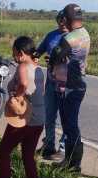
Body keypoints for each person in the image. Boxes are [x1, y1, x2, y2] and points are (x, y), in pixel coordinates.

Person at [0, 36, 45, 178]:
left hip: (24, 117)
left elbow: (23, 83)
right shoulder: (38, 67)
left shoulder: (23, 66)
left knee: (4, 150)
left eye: (14, 53)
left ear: (21, 53)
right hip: (38, 118)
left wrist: (16, 97)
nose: (13, 56)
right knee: (28, 155)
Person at [50, 4, 90, 171]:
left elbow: (55, 56)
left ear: (66, 19)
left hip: (68, 87)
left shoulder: (69, 38)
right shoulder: (85, 34)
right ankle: (71, 162)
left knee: (69, 125)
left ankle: (73, 164)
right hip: (79, 84)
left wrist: (52, 62)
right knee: (71, 125)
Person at [36, 11, 68, 160]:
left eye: (64, 20)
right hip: (51, 82)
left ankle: (62, 149)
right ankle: (48, 145)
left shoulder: (75, 37)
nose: (61, 22)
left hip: (68, 83)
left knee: (66, 117)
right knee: (49, 115)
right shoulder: (51, 35)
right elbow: (39, 51)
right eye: (59, 20)